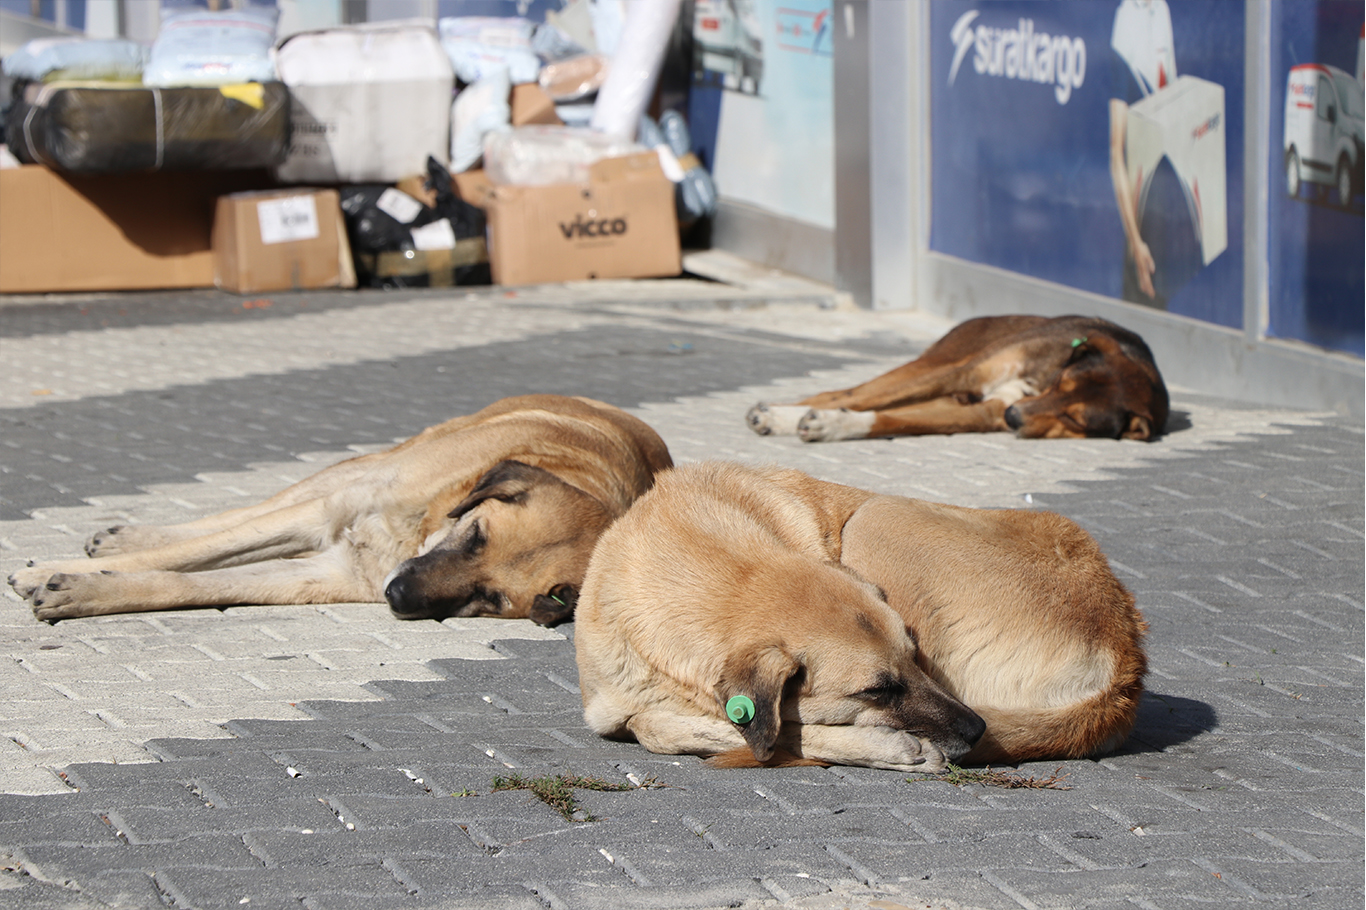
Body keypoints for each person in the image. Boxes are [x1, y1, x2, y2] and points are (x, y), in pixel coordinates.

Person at [1109, 0, 1177, 305]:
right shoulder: (1125, 26)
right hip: (1141, 217)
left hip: (1166, 205)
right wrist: (1136, 243)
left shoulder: (1161, 11)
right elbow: (1116, 153)